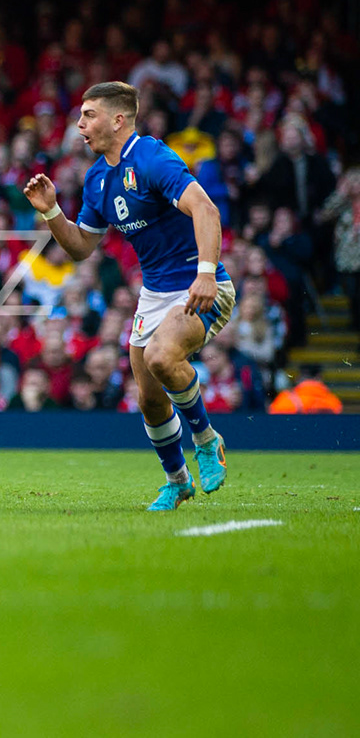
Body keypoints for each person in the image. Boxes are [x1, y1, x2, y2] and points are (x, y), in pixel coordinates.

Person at [23, 81, 237, 511]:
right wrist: (50, 211)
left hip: (200, 285)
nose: (79, 124)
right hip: (155, 294)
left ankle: (207, 439)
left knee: (161, 357)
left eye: (88, 115)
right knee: (148, 398)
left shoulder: (153, 157)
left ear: (118, 119)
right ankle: (177, 481)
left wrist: (207, 273)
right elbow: (82, 247)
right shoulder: (98, 178)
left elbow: (206, 210)